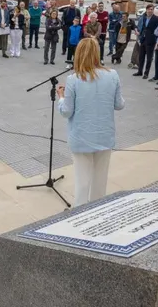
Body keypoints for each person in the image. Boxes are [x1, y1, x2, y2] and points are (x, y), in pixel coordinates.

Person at [57, 38, 124, 206]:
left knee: (82, 182)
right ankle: (97, 212)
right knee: (100, 181)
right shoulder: (112, 75)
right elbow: (119, 104)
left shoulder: (73, 79)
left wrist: (61, 98)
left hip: (81, 137)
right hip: (104, 135)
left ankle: (80, 215)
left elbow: (66, 111)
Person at [133, 4, 158, 79]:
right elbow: (143, 28)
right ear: (146, 10)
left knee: (149, 58)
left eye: (152, 9)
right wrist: (139, 34)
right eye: (149, 9)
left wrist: (155, 38)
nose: (150, 10)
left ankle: (146, 73)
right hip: (143, 39)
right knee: (141, 56)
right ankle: (140, 71)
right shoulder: (144, 18)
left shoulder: (156, 19)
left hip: (151, 40)